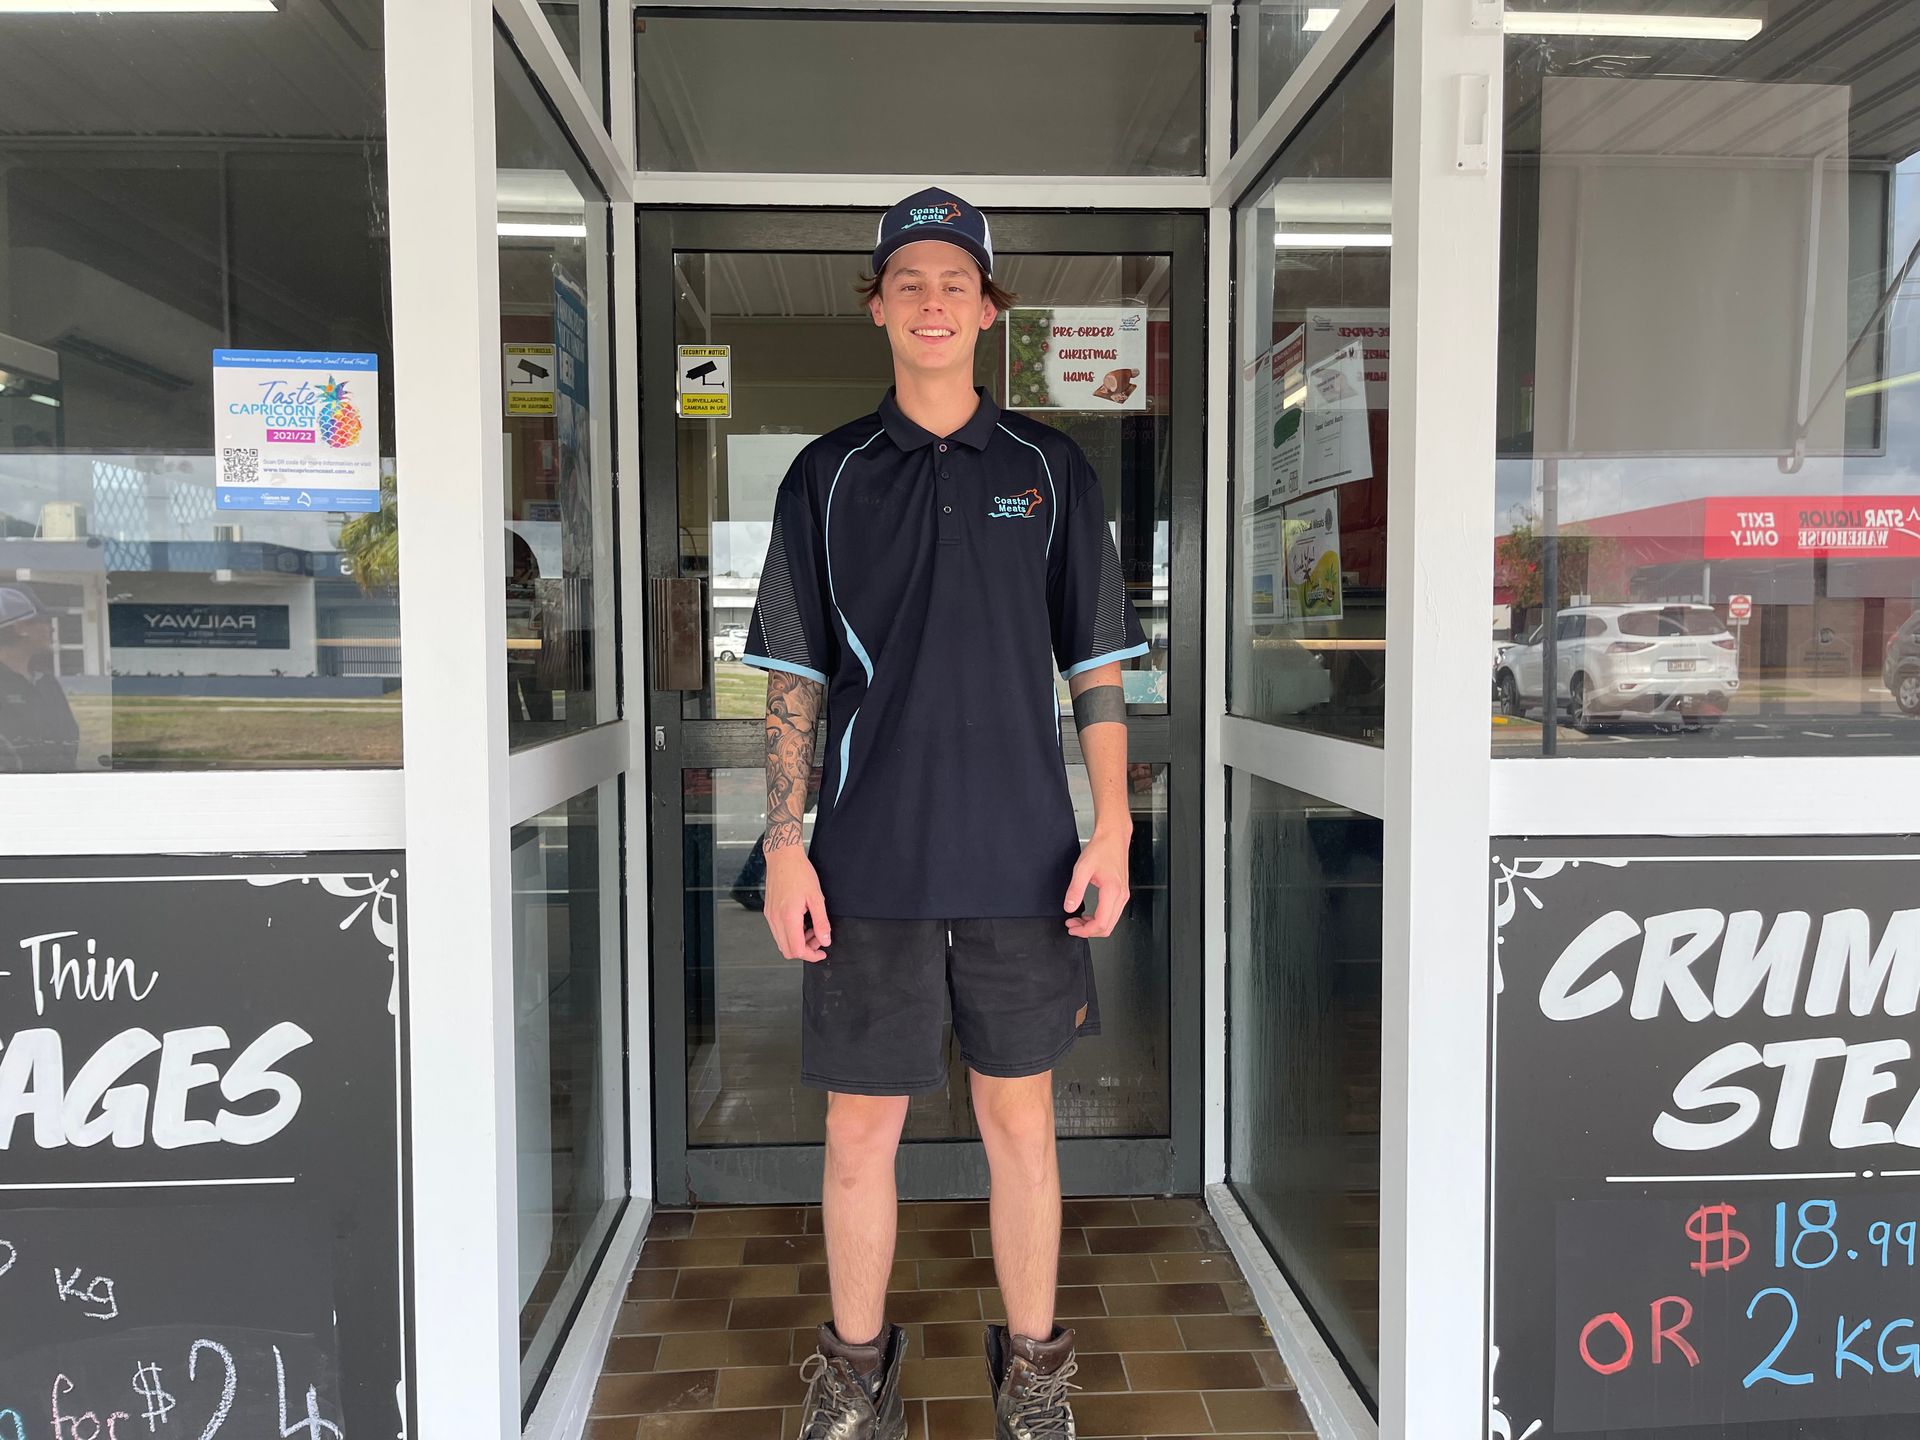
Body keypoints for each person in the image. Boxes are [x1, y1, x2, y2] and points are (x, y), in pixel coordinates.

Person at [741, 188, 1148, 1440]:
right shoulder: (826, 477)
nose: (932, 300)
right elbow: (795, 680)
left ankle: (1035, 1375)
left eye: (953, 281)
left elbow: (1096, 669)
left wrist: (1114, 824)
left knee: (1021, 1126)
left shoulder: (1050, 470)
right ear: (877, 307)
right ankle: (854, 1377)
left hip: (1024, 861)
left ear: (988, 310)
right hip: (866, 865)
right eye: (908, 280)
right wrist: (787, 844)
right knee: (859, 1133)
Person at [0, 585, 79, 773]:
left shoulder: (47, 682)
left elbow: (69, 743)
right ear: (21, 628)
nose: (51, 629)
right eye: (45, 621)